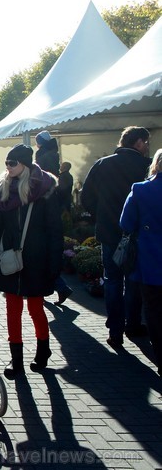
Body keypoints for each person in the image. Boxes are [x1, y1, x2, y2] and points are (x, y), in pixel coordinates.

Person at [0, 144, 63, 379]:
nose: (7, 167)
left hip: (37, 256)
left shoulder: (44, 190)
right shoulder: (1, 190)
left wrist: (54, 263)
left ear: (25, 164)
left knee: (35, 307)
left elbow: (54, 229)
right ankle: (16, 359)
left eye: (12, 163)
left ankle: (43, 348)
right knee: (12, 308)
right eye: (6, 163)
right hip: (9, 256)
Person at [81, 126, 151, 348]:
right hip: (137, 233)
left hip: (109, 232)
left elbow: (86, 197)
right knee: (132, 282)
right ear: (138, 143)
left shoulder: (104, 164)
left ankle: (115, 330)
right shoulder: (145, 166)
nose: (147, 146)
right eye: (146, 142)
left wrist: (99, 215)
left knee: (112, 281)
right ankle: (132, 325)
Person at [120, 149, 162, 376]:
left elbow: (126, 223)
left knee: (154, 311)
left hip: (151, 259)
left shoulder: (141, 189)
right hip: (151, 258)